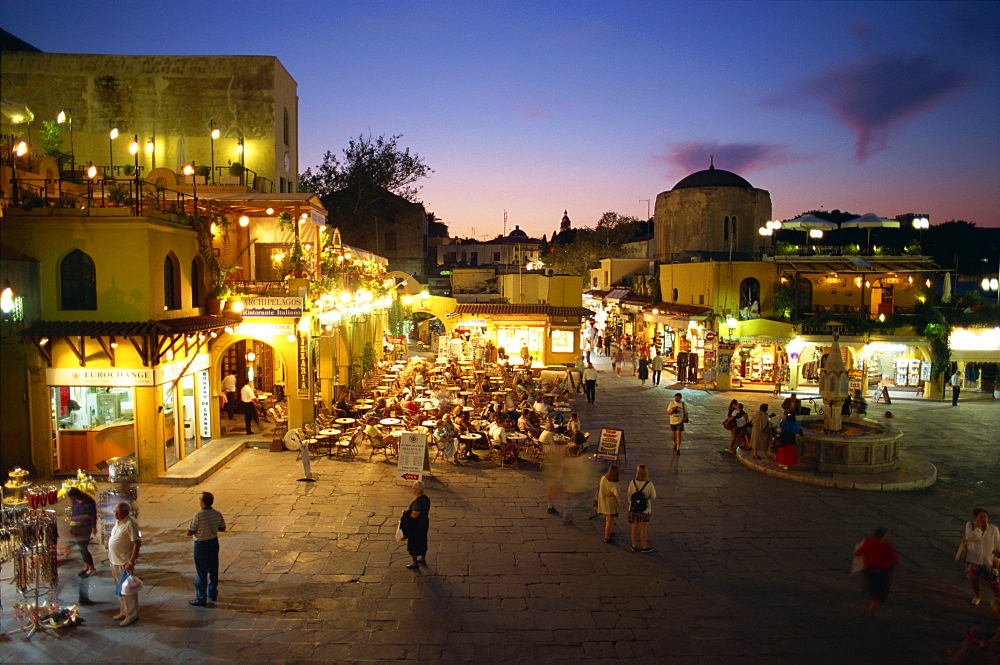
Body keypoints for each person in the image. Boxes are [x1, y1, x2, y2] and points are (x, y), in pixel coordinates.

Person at [186, 491, 227, 606]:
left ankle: (201, 597)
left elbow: (189, 532)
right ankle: (213, 593)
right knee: (213, 569)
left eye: (200, 500)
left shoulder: (198, 516)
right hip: (213, 543)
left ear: (203, 503)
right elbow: (222, 528)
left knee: (201, 572)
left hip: (201, 545)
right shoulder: (217, 514)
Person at [854, 526, 899, 618]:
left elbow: (858, 553)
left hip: (869, 570)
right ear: (882, 536)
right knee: (880, 592)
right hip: (882, 572)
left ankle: (870, 607)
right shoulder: (887, 547)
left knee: (872, 589)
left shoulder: (867, 543)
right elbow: (894, 559)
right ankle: (871, 611)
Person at [108, 501, 141, 626]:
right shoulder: (118, 523)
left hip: (124, 562)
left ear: (126, 512)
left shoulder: (130, 524)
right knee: (119, 587)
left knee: (128, 588)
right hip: (114, 560)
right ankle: (124, 610)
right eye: (115, 511)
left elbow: (136, 543)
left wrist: (131, 561)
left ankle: (132, 614)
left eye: (118, 512)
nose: (115, 514)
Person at [946, 598, 1000, 665]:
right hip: (993, 647)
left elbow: (990, 645)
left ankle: (955, 660)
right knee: (974, 631)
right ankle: (959, 653)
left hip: (994, 656)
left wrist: (971, 639)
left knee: (969, 645)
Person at [964, 508, 1000, 606]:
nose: (983, 519)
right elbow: (971, 538)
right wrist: (978, 529)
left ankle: (999, 598)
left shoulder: (993, 529)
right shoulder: (970, 526)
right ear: (976, 517)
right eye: (981, 517)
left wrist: (997, 559)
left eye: (985, 517)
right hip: (974, 560)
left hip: (989, 561)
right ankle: (977, 596)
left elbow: (998, 545)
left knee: (995, 582)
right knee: (974, 579)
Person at [67, 487, 97, 578]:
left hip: (85, 527)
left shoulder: (89, 501)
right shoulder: (75, 501)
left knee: (84, 548)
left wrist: (93, 527)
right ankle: (86, 566)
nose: (71, 499)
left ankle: (91, 567)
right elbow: (74, 512)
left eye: (71, 496)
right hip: (77, 526)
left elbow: (93, 515)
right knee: (81, 548)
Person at [627, 465, 657, 552]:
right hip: (645, 509)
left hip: (633, 509)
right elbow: (653, 496)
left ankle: (633, 545)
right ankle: (644, 546)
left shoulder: (632, 482)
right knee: (643, 529)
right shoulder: (649, 484)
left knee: (634, 527)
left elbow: (629, 495)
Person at [402, 481, 431, 569]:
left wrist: (406, 513)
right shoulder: (426, 499)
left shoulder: (417, 502)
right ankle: (423, 558)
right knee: (423, 540)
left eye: (414, 488)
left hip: (417, 525)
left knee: (413, 543)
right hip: (425, 523)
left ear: (418, 490)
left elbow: (415, 515)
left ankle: (415, 563)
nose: (412, 489)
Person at [597, 465, 620, 544]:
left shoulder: (603, 478)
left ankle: (610, 531)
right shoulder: (614, 483)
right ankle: (607, 536)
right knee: (609, 520)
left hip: (604, 500)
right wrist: (613, 495)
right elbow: (617, 494)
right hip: (611, 502)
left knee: (608, 518)